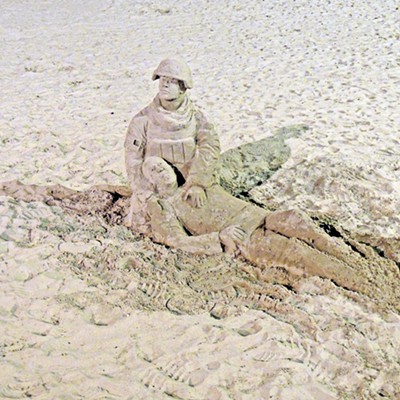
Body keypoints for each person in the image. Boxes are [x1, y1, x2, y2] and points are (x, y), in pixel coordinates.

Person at [140, 156, 362, 292]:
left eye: (161, 165)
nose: (160, 170)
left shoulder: (196, 182)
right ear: (150, 181)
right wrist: (219, 238)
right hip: (245, 235)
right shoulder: (164, 206)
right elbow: (176, 241)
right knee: (297, 253)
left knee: (297, 219)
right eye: (153, 170)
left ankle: (356, 263)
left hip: (260, 215)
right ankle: (359, 282)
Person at [124, 58, 220, 232]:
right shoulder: (143, 120)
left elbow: (210, 148)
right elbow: (133, 159)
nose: (164, 85)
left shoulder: (196, 118)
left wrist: (197, 182)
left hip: (190, 182)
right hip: (157, 186)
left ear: (183, 87)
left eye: (171, 82)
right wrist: (142, 191)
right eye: (162, 80)